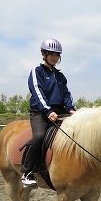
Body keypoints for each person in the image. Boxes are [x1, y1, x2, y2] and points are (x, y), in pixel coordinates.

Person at [21, 38, 76, 188]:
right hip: (40, 112)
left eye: (57, 55)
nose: (55, 57)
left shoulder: (60, 76)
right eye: (51, 54)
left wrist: (71, 109)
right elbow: (38, 92)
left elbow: (66, 95)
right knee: (39, 136)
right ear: (43, 54)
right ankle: (28, 172)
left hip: (60, 111)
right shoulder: (36, 71)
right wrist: (47, 110)